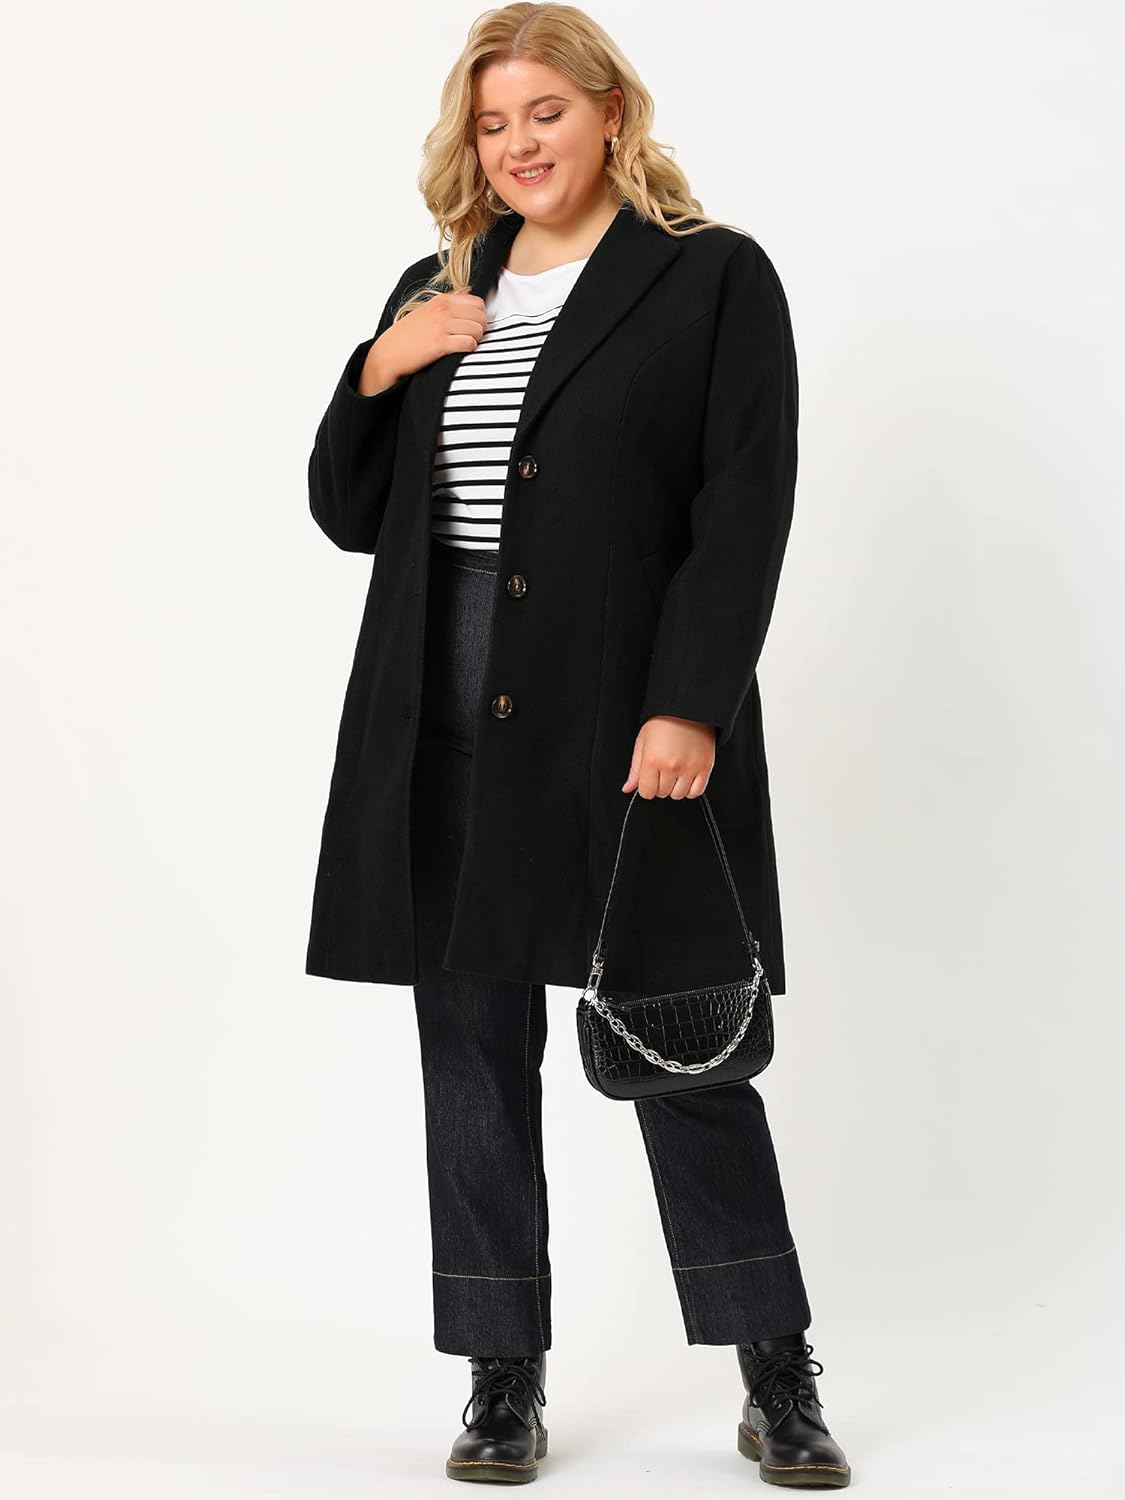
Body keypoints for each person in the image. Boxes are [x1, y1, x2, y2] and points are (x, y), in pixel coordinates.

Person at [305, 2, 851, 1487]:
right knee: (472, 1054)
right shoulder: (435, 288)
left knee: (680, 1039)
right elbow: (350, 514)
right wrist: (383, 364)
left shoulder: (710, 277)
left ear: (612, 110)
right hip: (442, 697)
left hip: (619, 701)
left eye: (544, 110)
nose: (517, 143)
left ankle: (774, 1371)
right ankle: (501, 1377)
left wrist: (690, 701)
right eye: (491, 122)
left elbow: (743, 505)